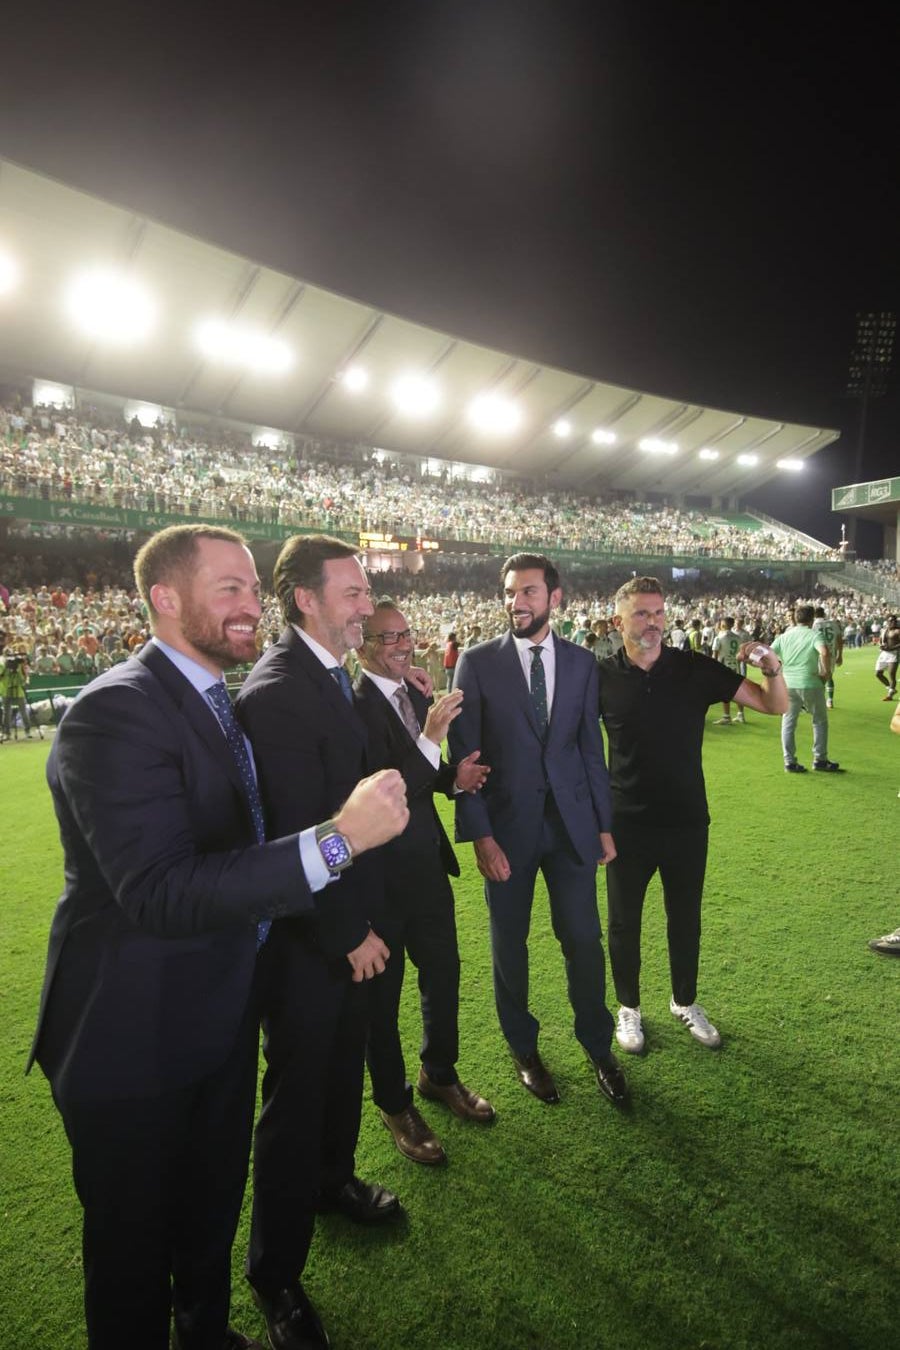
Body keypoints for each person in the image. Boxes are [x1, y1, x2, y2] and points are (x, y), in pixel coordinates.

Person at [26, 524, 408, 1350]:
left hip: (215, 1015)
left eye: (250, 586)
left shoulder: (213, 699)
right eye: (227, 588)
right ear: (166, 600)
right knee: (131, 1261)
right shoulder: (113, 712)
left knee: (206, 1221)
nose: (249, 606)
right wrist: (338, 840)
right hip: (131, 1040)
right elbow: (159, 892)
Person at [234, 535, 422, 1350]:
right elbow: (291, 832)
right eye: (350, 592)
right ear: (305, 600)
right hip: (315, 940)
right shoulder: (278, 691)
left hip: (356, 925)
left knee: (344, 1066)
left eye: (365, 589)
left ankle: (333, 1180)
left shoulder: (330, 677)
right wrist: (348, 933)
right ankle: (274, 1276)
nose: (364, 604)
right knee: (297, 1095)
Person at [448, 552, 626, 1108]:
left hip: (571, 828)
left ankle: (598, 1046)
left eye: (527, 592)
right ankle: (523, 1048)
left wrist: (602, 824)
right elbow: (465, 758)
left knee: (583, 940)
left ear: (555, 598)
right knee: (510, 945)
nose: (515, 602)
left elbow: (589, 751)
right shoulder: (476, 662)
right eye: (509, 592)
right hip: (506, 832)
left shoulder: (580, 663)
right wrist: (480, 835)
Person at [598, 577, 787, 1056]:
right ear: (618, 621)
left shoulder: (693, 668)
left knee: (685, 918)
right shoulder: (601, 676)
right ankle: (629, 1007)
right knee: (624, 921)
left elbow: (773, 703)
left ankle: (684, 1002)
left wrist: (773, 668)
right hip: (625, 824)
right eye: (641, 614)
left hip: (686, 820)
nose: (653, 623)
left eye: (659, 613)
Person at [354, 599, 494, 1165]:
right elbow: (389, 787)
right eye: (388, 638)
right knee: (380, 1001)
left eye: (406, 634)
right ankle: (394, 1103)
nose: (403, 645)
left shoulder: (410, 690)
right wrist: (434, 733)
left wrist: (452, 779)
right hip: (377, 879)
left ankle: (439, 1074)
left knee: (443, 973)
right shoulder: (353, 703)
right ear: (360, 643)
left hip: (425, 867)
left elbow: (423, 777)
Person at [772, 604, 841, 773]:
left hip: (788, 683)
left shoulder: (784, 636)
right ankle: (820, 759)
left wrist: (774, 670)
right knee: (819, 721)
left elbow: (768, 653)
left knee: (788, 723)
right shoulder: (813, 635)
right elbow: (824, 652)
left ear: (796, 618)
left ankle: (789, 762)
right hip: (810, 682)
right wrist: (826, 673)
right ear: (811, 620)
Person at [712, 617, 744, 724]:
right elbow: (740, 655)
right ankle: (740, 714)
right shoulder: (738, 637)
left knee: (725, 691)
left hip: (724, 666)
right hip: (735, 666)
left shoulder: (719, 637)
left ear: (723, 625)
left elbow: (715, 656)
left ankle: (726, 717)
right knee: (738, 691)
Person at [812, 606, 843, 708]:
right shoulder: (833, 623)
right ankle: (829, 700)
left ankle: (818, 699)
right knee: (829, 675)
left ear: (814, 615)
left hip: (818, 653)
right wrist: (840, 655)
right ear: (823, 614)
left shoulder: (814, 625)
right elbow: (839, 639)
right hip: (832, 653)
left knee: (818, 677)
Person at [874, 614, 899, 700]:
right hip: (884, 654)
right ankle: (891, 688)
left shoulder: (898, 631)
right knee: (878, 674)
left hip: (894, 654)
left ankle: (890, 695)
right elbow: (881, 641)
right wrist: (881, 645)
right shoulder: (884, 630)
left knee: (891, 675)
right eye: (891, 620)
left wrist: (891, 648)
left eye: (895, 621)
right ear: (887, 621)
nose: (893, 622)